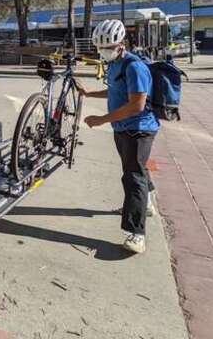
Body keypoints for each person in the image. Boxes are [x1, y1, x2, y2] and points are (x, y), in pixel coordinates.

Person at [78, 19, 160, 254]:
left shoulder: (134, 67)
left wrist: (101, 120)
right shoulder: (115, 64)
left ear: (120, 44)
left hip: (139, 129)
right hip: (122, 128)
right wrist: (90, 94)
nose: (103, 52)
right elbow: (115, 91)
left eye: (107, 48)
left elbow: (137, 104)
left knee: (133, 177)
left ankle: (136, 234)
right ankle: (147, 205)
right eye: (100, 49)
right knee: (137, 168)